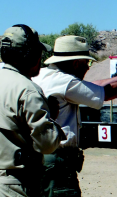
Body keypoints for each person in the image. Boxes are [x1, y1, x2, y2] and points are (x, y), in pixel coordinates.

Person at [32, 35, 117, 196]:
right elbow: (104, 93)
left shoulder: (44, 75)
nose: (88, 67)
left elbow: (94, 85)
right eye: (87, 63)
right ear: (75, 63)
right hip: (58, 159)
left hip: (40, 157)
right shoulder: (66, 82)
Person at [0, 24, 66, 196]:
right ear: (28, 55)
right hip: (15, 184)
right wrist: (51, 118)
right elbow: (47, 144)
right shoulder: (28, 90)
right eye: (38, 52)